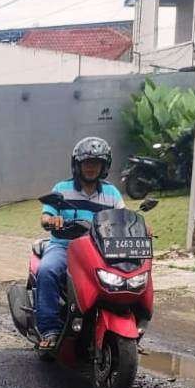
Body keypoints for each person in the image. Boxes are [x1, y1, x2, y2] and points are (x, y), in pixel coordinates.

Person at [36, 137, 125, 351]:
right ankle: (49, 330)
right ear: (77, 165)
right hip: (64, 246)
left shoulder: (111, 193)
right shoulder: (62, 188)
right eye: (87, 162)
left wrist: (140, 227)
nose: (91, 167)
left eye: (96, 163)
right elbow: (46, 216)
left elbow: (123, 218)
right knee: (47, 270)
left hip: (98, 249)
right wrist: (52, 220)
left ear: (104, 166)